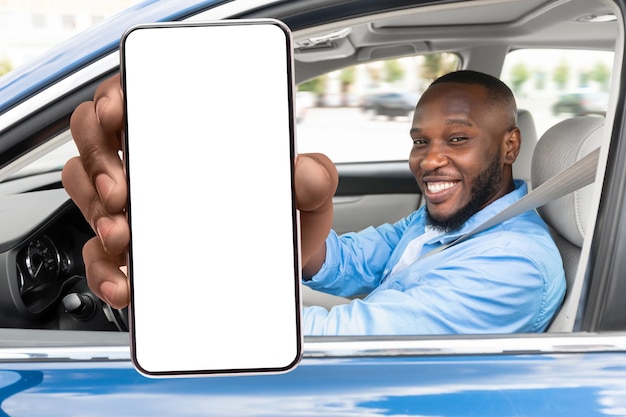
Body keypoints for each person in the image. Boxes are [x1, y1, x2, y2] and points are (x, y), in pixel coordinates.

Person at [62, 69, 566, 336]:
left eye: (457, 139)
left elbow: (351, 339)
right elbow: (352, 257)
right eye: (419, 141)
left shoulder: (514, 265)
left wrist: (195, 305)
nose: (430, 160)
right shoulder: (454, 220)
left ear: (509, 146)